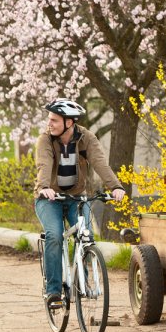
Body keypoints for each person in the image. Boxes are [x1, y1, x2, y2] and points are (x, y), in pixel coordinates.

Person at [34, 98, 127, 307]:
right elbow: (44, 165)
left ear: (69, 122)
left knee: (86, 236)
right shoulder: (45, 140)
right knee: (55, 235)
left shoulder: (86, 138)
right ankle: (54, 291)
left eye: (55, 120)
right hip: (49, 199)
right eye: (49, 119)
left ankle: (81, 281)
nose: (50, 123)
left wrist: (116, 187)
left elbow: (99, 162)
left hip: (76, 197)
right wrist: (44, 187)